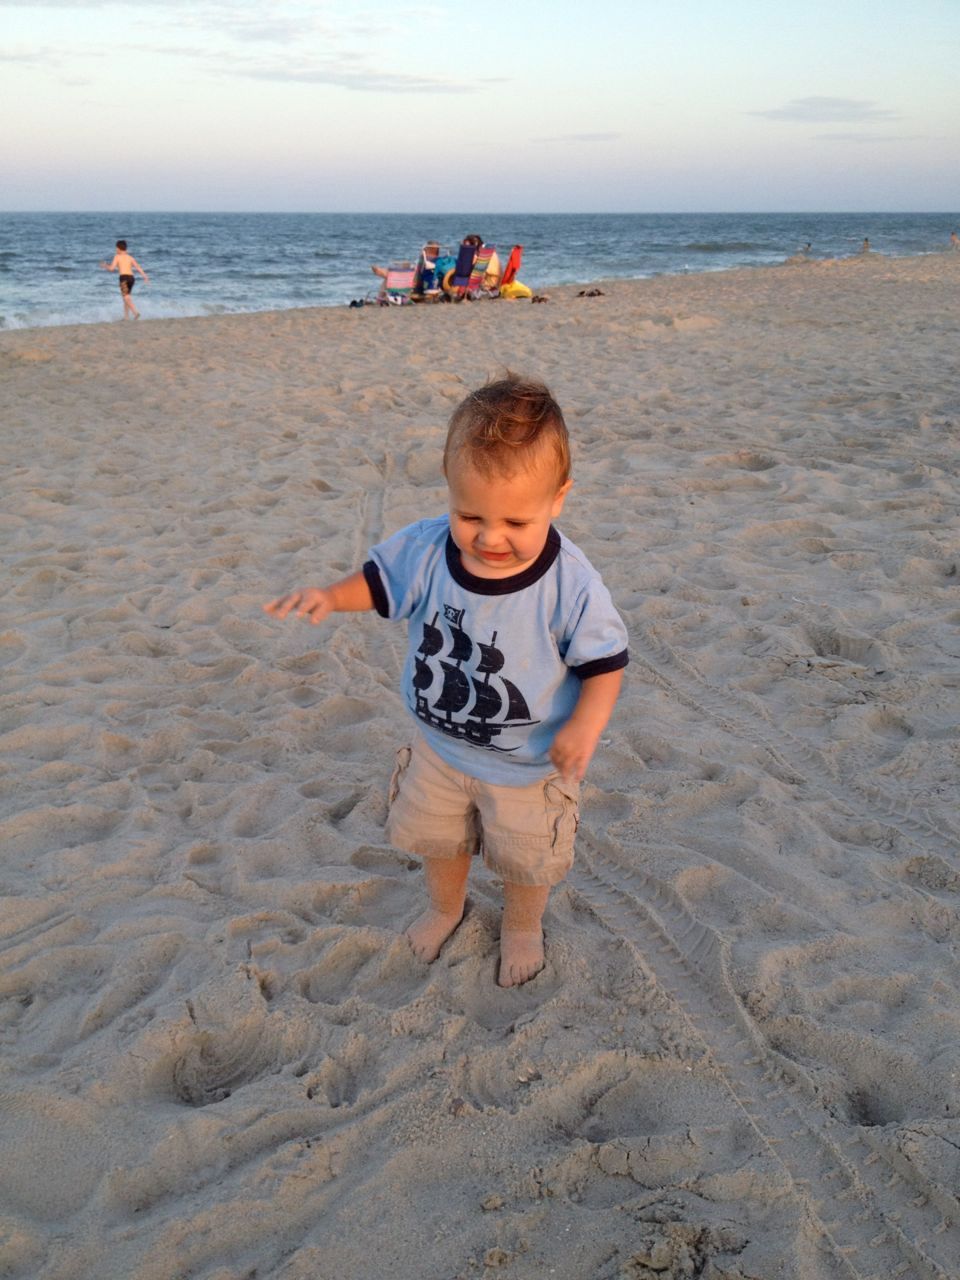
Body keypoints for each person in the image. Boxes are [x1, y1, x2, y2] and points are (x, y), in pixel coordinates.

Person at [263, 375, 628, 988]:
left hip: (526, 764)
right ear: (449, 489)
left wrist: (587, 726)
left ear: (558, 498)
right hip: (439, 748)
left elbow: (604, 664)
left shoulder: (572, 586)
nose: (489, 537)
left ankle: (520, 926)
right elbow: (382, 586)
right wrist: (332, 596)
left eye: (515, 520)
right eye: (469, 514)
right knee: (441, 840)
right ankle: (445, 907)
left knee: (525, 857)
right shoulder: (430, 549)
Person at [99, 239, 149, 318]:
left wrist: (105, 266)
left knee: (126, 297)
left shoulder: (117, 256)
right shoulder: (130, 257)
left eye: (116, 248)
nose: (115, 250)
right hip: (131, 278)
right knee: (126, 298)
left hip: (124, 278)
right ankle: (126, 317)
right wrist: (145, 276)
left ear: (118, 248)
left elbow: (112, 268)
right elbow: (138, 267)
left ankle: (135, 312)